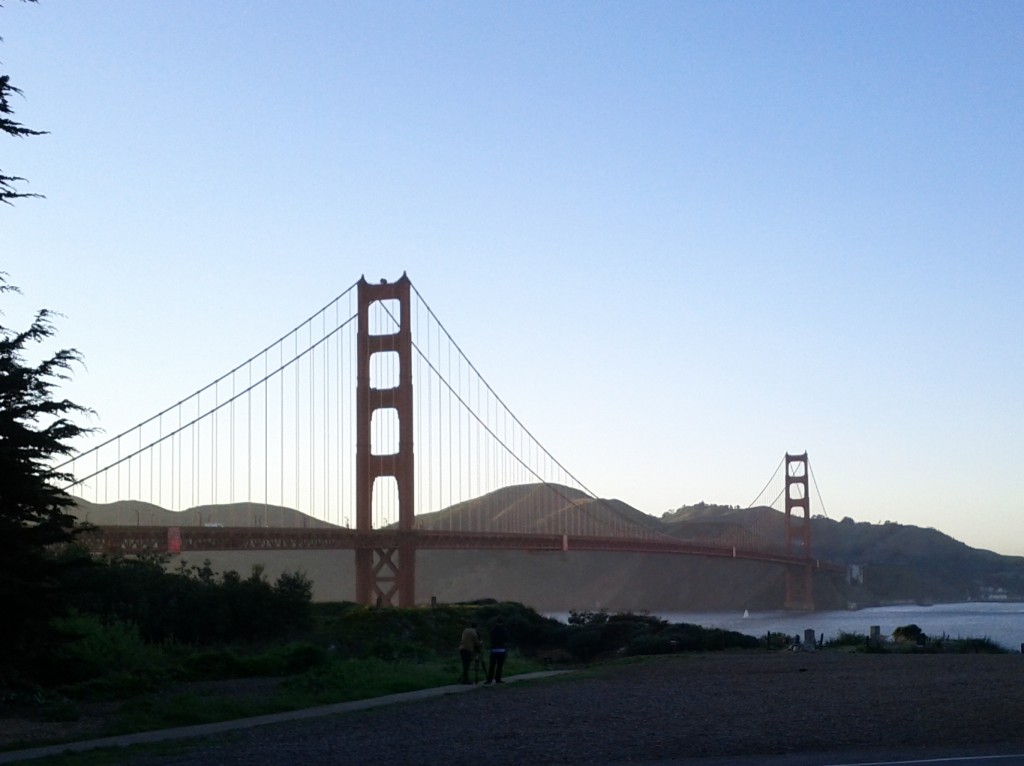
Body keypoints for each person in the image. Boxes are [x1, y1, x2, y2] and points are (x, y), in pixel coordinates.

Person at [484, 617, 509, 684]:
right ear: (502, 622)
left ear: (496, 622)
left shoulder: (493, 630)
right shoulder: (504, 630)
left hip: (494, 650)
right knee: (499, 666)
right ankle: (498, 679)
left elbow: (490, 638)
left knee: (492, 666)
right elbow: (506, 639)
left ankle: (489, 679)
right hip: (502, 650)